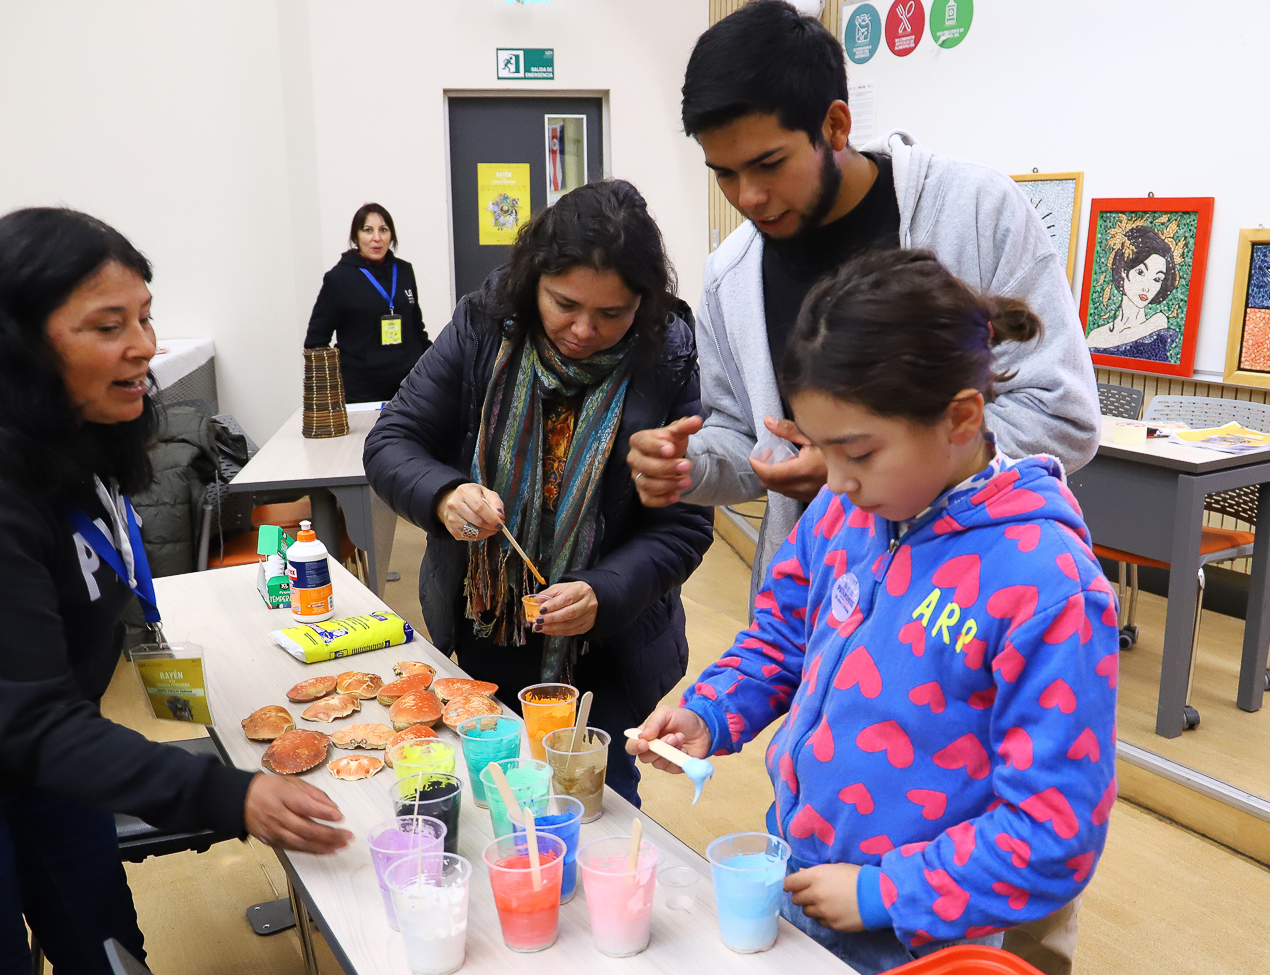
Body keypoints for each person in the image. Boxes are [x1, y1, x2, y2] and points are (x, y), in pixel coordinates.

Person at [0, 208, 352, 975]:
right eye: (108, 324)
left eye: (146, 317)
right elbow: (36, 718)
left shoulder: (65, 423)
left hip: (42, 750)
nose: (145, 346)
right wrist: (232, 795)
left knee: (104, 942)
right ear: (13, 339)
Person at [626, 248, 1118, 975]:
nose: (835, 479)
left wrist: (888, 890)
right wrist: (713, 709)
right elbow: (784, 636)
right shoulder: (846, 513)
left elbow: (1052, 828)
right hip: (806, 874)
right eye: (821, 448)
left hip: (931, 931)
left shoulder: (1046, 585)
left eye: (856, 452)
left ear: (960, 418)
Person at [627, 0, 1101, 602]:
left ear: (836, 125)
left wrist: (853, 466)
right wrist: (691, 464)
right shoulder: (731, 275)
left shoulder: (977, 212)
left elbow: (1062, 417)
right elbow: (749, 437)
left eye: (768, 164)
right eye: (722, 173)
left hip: (974, 599)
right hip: (817, 606)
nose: (747, 196)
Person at [364, 180, 714, 805]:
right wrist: (445, 496)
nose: (583, 330)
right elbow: (392, 441)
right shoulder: (485, 326)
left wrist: (603, 591)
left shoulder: (670, 358)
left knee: (589, 814)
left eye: (612, 314)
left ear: (645, 301)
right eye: (565, 304)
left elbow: (684, 525)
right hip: (484, 629)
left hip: (607, 654)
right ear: (534, 282)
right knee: (485, 803)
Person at [305, 202, 430, 403]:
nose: (376, 238)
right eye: (368, 230)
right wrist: (326, 394)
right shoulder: (339, 278)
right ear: (356, 237)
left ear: (392, 235)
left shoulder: (404, 271)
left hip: (408, 386)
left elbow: (417, 327)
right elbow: (316, 342)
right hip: (361, 391)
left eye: (383, 230)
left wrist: (434, 370)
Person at [1084, 224, 1180, 362]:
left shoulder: (1156, 327)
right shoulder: (1096, 336)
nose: (1147, 288)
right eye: (1140, 272)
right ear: (1124, 270)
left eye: (1157, 279)